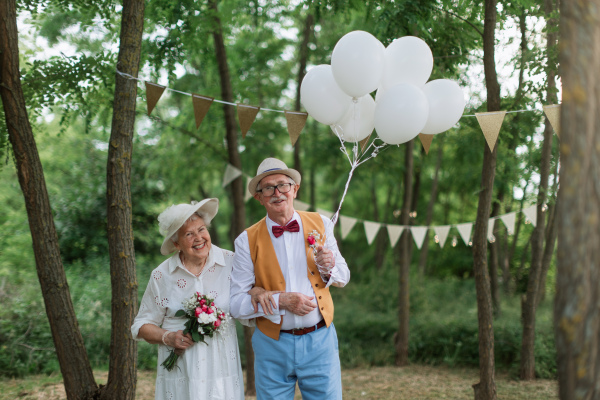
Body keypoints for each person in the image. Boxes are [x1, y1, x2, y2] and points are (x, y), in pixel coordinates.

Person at [230, 157, 350, 400]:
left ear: (295, 189)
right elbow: (235, 304)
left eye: (283, 185)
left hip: (320, 341)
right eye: (268, 188)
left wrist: (329, 267)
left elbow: (344, 276)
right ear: (259, 197)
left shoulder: (321, 223)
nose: (277, 193)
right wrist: (280, 301)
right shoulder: (246, 240)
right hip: (271, 345)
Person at [131, 198, 252, 400]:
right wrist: (168, 337)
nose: (199, 238)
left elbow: (249, 303)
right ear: (176, 243)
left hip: (221, 372)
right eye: (189, 234)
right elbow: (141, 325)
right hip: (181, 374)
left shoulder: (232, 262)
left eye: (201, 229)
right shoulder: (162, 275)